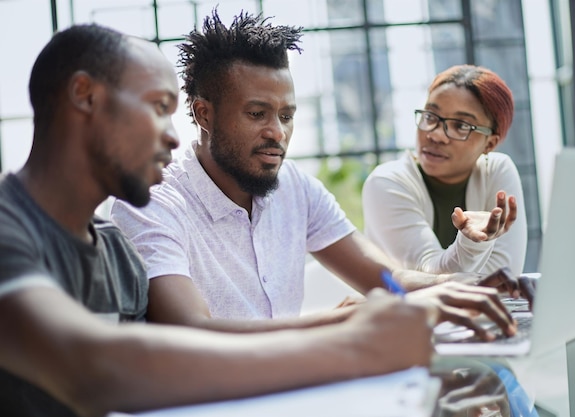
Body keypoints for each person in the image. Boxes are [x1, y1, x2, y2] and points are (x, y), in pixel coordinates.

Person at [0, 23, 518, 417]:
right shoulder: (17, 230)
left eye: (286, 116)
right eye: (158, 107)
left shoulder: (111, 254)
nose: (172, 135)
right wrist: (353, 336)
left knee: (478, 388)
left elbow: (170, 364)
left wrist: (446, 292)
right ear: (85, 97)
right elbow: (109, 364)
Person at [110, 10, 520, 337]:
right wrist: (340, 322)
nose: (277, 132)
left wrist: (475, 288)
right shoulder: (153, 201)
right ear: (204, 113)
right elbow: (194, 332)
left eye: (286, 115)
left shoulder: (297, 189)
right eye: (257, 114)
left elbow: (389, 279)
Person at [362, 65, 528, 277]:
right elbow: (431, 275)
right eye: (430, 117)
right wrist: (471, 242)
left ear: (490, 144)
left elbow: (503, 279)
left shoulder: (496, 172)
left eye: (460, 125)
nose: (436, 135)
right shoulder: (386, 182)